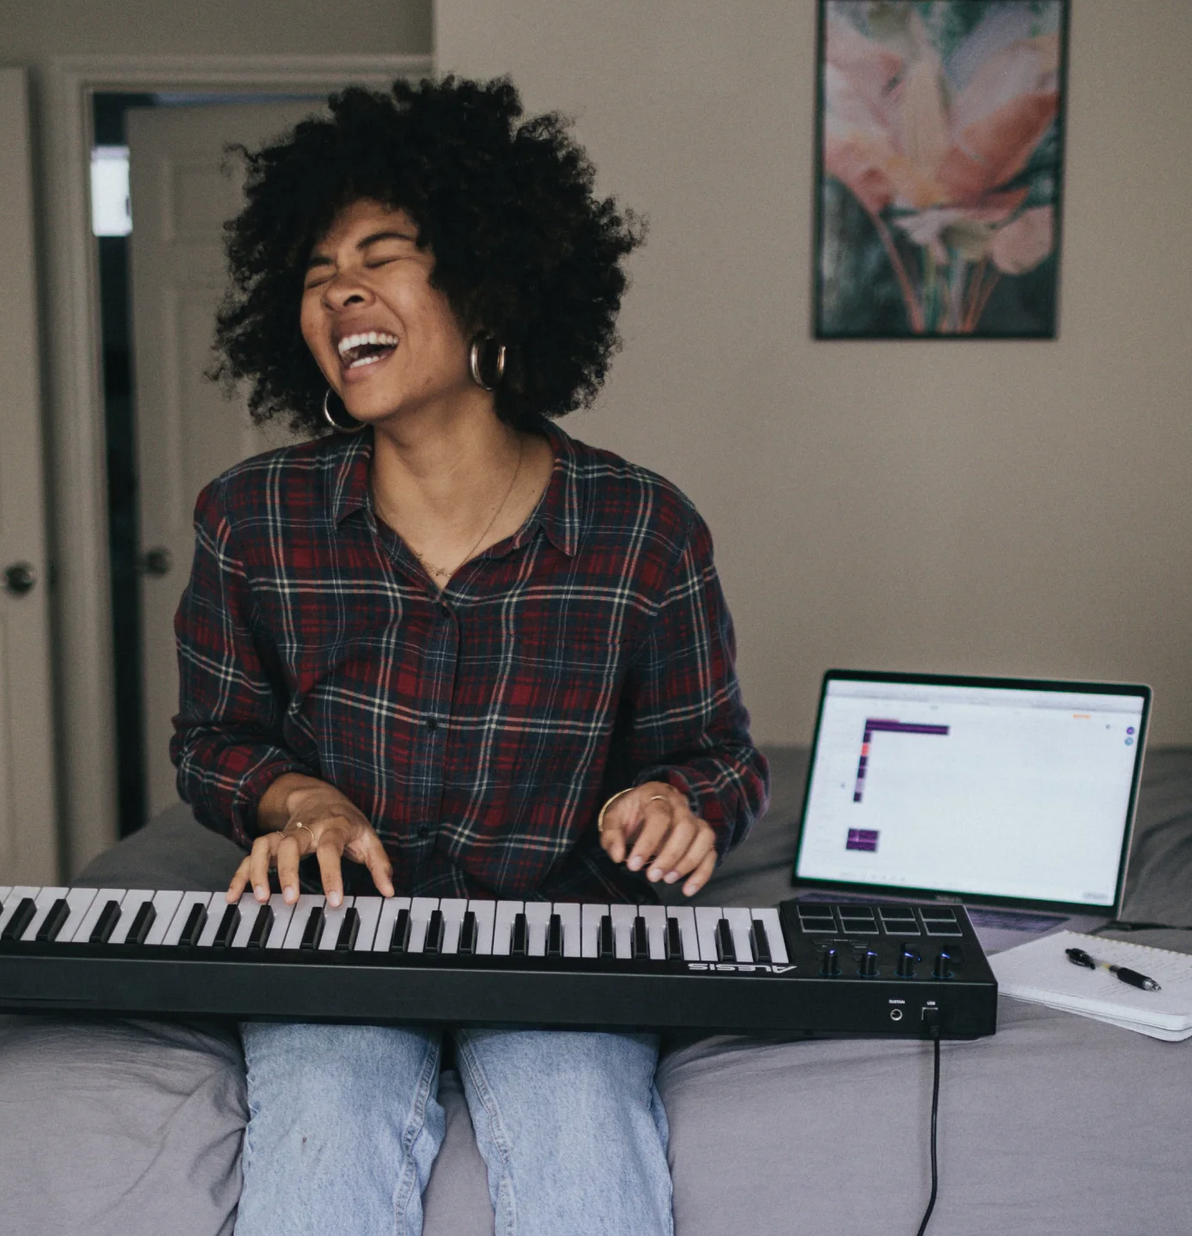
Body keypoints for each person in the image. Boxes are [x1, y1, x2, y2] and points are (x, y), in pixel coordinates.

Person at [172, 76, 768, 1236]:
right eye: (314, 274)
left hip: (563, 938)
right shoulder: (251, 519)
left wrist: (673, 801)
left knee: (583, 1141)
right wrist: (299, 799)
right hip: (337, 933)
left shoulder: (643, 530)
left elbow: (722, 760)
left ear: (493, 282)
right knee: (321, 1134)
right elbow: (214, 743)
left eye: (382, 256)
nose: (340, 287)